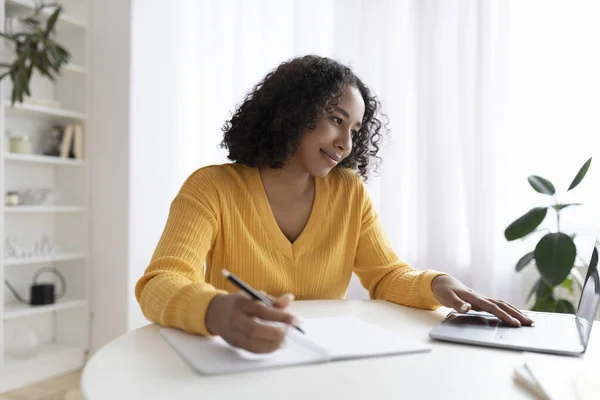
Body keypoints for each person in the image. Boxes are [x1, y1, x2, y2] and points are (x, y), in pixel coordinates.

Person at [135, 55, 532, 354]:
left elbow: (385, 276)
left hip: (319, 357)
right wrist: (214, 310)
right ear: (292, 113)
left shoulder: (348, 192)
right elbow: (162, 281)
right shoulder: (212, 187)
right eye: (336, 120)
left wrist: (436, 283)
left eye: (355, 130)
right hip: (238, 357)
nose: (346, 144)